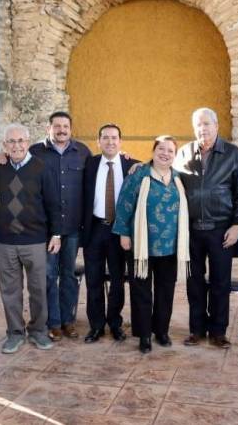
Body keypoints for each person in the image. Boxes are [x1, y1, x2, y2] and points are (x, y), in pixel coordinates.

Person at [174, 107, 238, 349]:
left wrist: (237, 224)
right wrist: (136, 165)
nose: (202, 129)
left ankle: (218, 331)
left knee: (220, 282)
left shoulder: (232, 153)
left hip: (221, 230)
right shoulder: (184, 153)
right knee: (193, 282)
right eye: (198, 125)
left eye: (207, 124)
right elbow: (165, 173)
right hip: (192, 230)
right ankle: (196, 329)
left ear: (216, 126)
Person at [113, 136, 190, 353]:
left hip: (170, 246)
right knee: (141, 292)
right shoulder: (139, 174)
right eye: (161, 149)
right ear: (154, 150)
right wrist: (123, 234)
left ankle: (161, 331)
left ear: (175, 155)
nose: (165, 154)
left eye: (170, 151)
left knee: (166, 291)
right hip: (141, 245)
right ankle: (144, 334)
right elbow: (124, 204)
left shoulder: (178, 178)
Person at [0, 124, 61, 353]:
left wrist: (56, 234)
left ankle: (38, 331)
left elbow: (54, 204)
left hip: (34, 239)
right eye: (11, 142)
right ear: (4, 145)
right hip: (5, 241)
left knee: (38, 289)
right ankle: (14, 333)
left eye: (21, 140)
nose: (16, 145)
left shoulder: (42, 167)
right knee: (10, 291)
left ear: (28, 142)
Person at [29, 111, 91, 340]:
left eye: (65, 126)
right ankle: (52, 321)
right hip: (45, 229)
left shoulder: (83, 152)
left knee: (68, 275)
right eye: (57, 126)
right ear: (49, 128)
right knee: (47, 275)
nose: (61, 130)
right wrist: (2, 156)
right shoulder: (34, 152)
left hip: (73, 228)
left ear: (71, 129)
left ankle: (68, 321)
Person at [81, 124, 139, 343]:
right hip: (94, 229)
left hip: (119, 230)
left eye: (114, 138)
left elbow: (156, 166)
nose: (110, 142)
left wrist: (142, 163)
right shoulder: (89, 164)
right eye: (105, 138)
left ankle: (115, 323)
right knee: (93, 280)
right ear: (98, 142)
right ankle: (96, 326)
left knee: (117, 280)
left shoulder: (132, 165)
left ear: (121, 141)